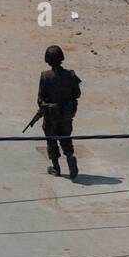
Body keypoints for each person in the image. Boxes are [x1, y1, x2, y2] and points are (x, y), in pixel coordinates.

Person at [37, 45, 81, 179]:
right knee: (65, 137)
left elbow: (40, 99)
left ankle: (56, 167)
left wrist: (44, 107)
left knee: (51, 140)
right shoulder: (71, 75)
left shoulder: (45, 77)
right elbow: (77, 94)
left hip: (51, 117)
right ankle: (69, 156)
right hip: (66, 115)